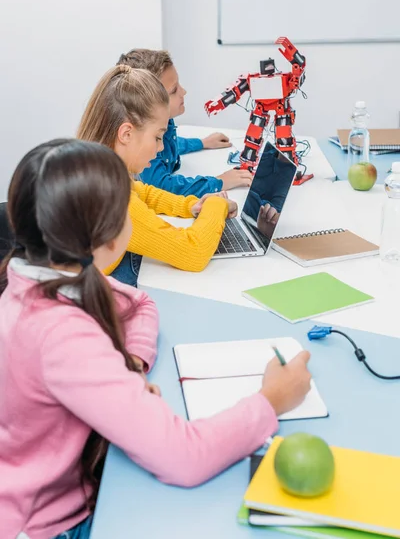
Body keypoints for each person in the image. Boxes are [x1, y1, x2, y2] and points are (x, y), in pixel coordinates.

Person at [0, 139, 312, 539]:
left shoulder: (34, 277)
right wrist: (272, 400)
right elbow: (184, 458)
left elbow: (138, 302)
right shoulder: (61, 335)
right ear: (110, 237)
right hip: (48, 526)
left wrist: (129, 366)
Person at [76, 65, 238, 287]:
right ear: (126, 134)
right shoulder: (114, 201)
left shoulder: (95, 169)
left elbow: (142, 191)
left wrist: (190, 206)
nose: (161, 149)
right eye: (157, 137)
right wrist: (217, 205)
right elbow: (193, 252)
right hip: (89, 297)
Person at [117, 48, 253, 196]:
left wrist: (203, 142)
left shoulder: (162, 126)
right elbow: (163, 186)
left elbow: (171, 145)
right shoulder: (142, 148)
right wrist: (219, 181)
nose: (184, 92)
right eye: (174, 90)